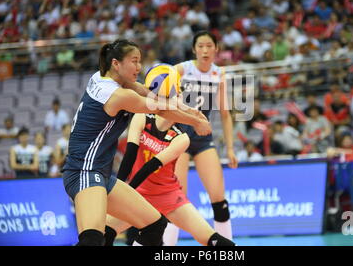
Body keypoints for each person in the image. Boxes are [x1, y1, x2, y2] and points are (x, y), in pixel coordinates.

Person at [61, 39, 211, 246]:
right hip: (84, 172)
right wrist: (196, 122)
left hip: (101, 174)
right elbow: (158, 108)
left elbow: (150, 95)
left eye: (140, 61)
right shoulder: (117, 95)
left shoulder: (105, 78)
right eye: (134, 61)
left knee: (155, 224)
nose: (140, 67)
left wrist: (190, 111)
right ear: (116, 63)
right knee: (93, 239)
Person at [104, 69, 234, 246]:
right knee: (104, 231)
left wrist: (127, 191)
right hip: (140, 193)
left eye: (180, 96)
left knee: (210, 239)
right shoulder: (142, 117)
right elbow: (129, 156)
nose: (180, 100)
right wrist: (119, 191)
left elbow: (151, 166)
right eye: (177, 94)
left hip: (168, 195)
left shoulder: (182, 138)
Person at [172, 30, 238, 243]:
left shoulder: (219, 74)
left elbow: (225, 114)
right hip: (179, 138)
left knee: (219, 200)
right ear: (194, 49)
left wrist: (230, 148)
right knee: (175, 201)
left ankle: (227, 250)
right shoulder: (182, 69)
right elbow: (161, 87)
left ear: (216, 49)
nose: (205, 50)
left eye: (209, 46)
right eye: (200, 46)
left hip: (202, 140)